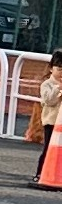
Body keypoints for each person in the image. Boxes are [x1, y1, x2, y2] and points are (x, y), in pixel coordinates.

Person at [33, 50, 62, 184]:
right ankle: (40, 173)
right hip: (51, 123)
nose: (61, 72)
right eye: (59, 69)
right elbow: (49, 100)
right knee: (48, 149)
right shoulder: (47, 84)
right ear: (51, 69)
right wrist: (58, 89)